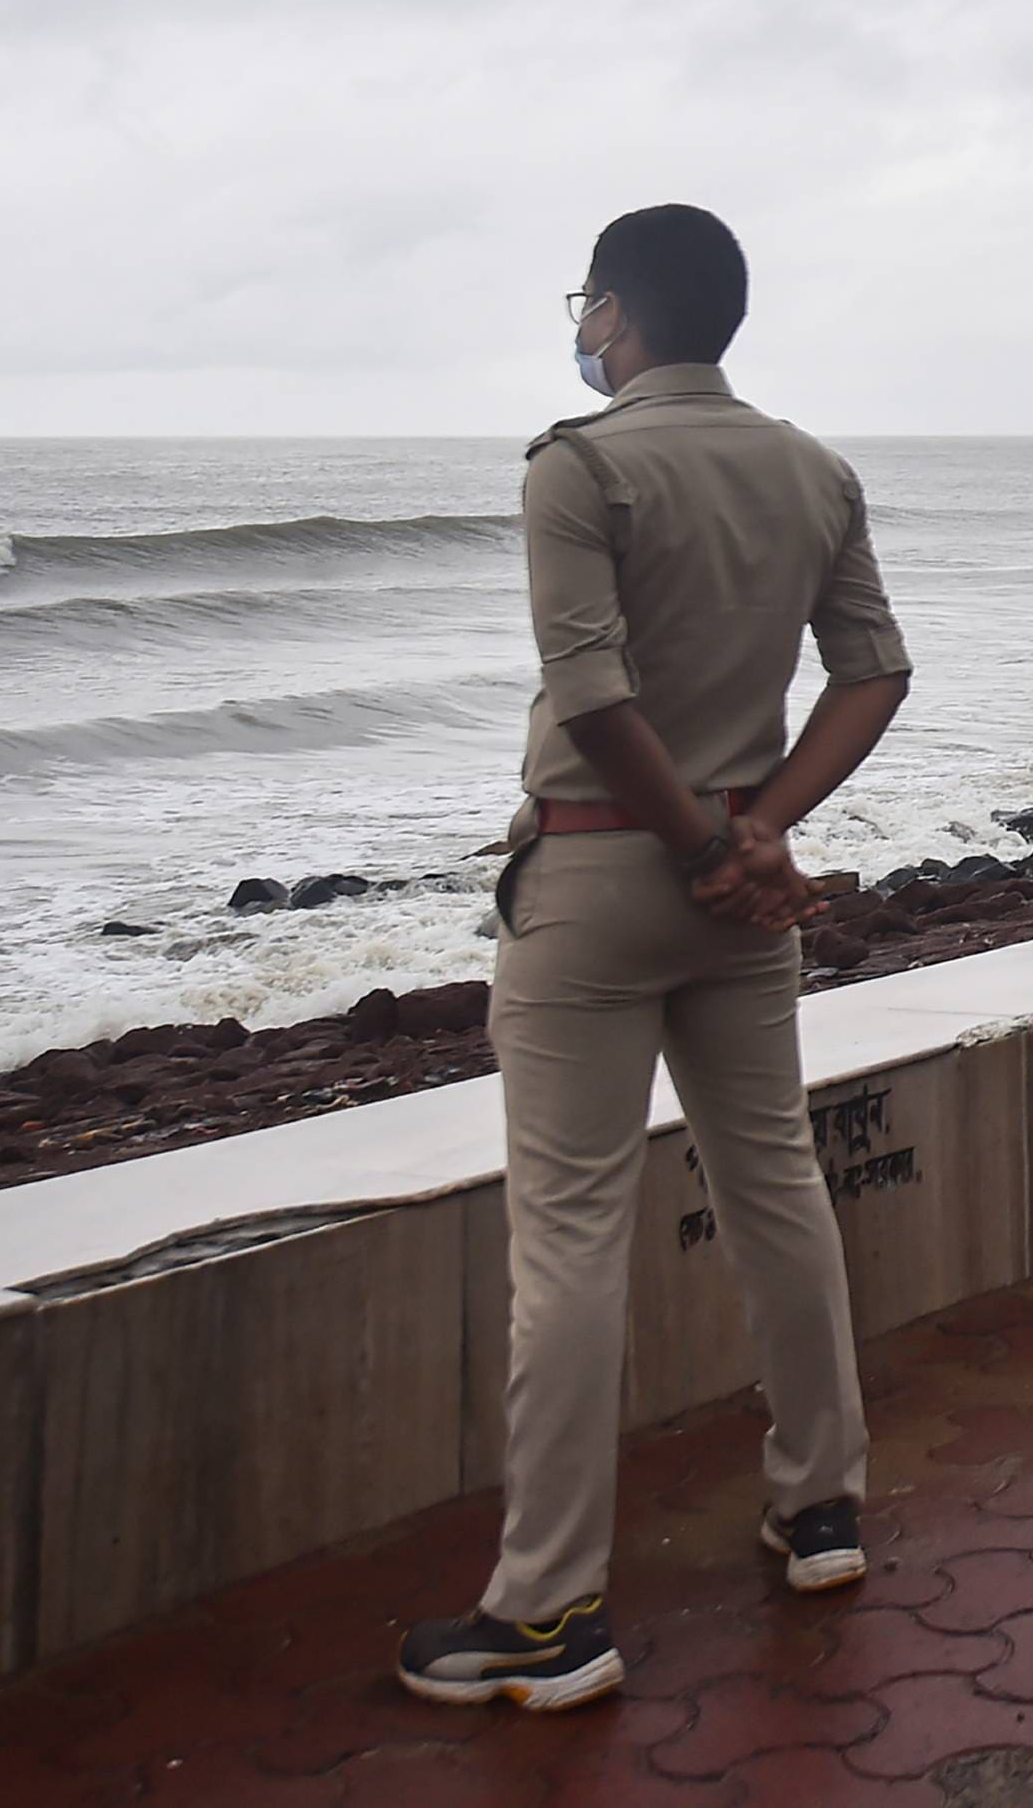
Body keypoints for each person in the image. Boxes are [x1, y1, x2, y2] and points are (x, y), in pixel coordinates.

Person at [397, 205, 915, 1712]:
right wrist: (759, 832)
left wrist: (698, 840)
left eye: (587, 304)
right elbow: (873, 669)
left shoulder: (583, 464)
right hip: (735, 886)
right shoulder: (814, 469)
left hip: (601, 870)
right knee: (776, 1186)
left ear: (618, 314)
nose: (582, 326)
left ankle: (550, 1610)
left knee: (568, 1233)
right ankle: (821, 1505)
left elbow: (596, 694)